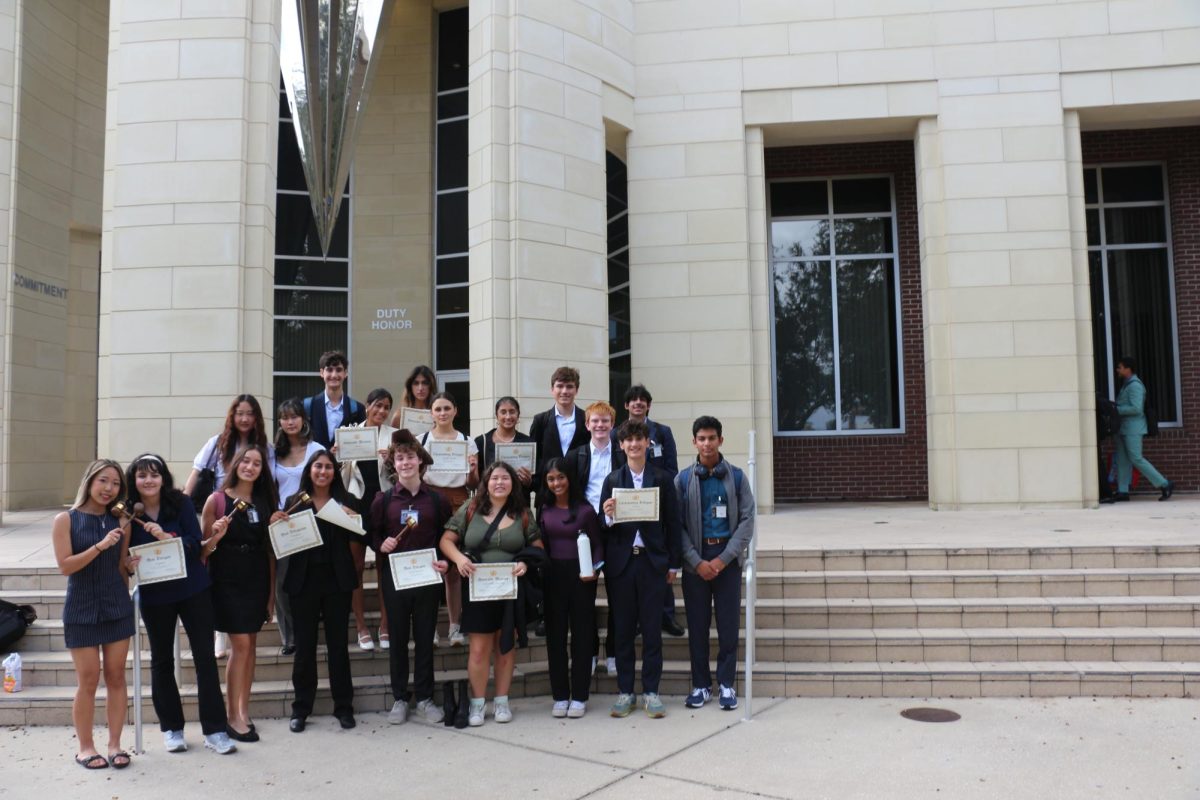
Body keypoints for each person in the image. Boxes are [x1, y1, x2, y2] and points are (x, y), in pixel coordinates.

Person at [125, 454, 236, 755]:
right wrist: (128, 563)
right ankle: (171, 728)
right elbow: (123, 557)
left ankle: (215, 730)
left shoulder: (181, 503)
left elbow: (194, 542)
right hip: (154, 594)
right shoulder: (126, 514)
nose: (148, 480)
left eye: (154, 474)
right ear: (133, 480)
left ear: (164, 478)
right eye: (142, 475)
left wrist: (167, 536)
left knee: (204, 658)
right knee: (161, 661)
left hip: (192, 589)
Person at [440, 462, 542, 726]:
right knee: (478, 650)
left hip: (511, 590)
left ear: (513, 484)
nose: (499, 483)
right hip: (477, 589)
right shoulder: (471, 509)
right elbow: (446, 540)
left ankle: (501, 702)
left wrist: (526, 563)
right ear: (486, 483)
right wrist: (459, 559)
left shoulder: (522, 513)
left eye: (505, 478)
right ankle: (476, 704)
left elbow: (537, 546)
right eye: (494, 478)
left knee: (506, 647)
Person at [53, 460, 136, 771]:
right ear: (89, 481)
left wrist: (128, 566)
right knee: (88, 679)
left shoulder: (122, 521)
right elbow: (65, 566)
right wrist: (100, 547)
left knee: (116, 676)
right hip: (81, 606)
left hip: (116, 605)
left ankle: (115, 744)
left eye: (115, 484)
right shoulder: (66, 519)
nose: (109, 488)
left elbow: (119, 568)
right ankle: (85, 747)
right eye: (104, 481)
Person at [600, 420, 682, 720]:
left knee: (651, 630)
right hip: (622, 565)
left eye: (639, 439)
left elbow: (673, 524)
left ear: (648, 443)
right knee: (622, 630)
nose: (634, 445)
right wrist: (608, 516)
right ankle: (625, 692)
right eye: (628, 441)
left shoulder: (661, 478)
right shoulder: (612, 479)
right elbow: (603, 525)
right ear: (620, 446)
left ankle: (651, 692)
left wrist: (673, 563)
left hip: (652, 563)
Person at [369, 430, 452, 725]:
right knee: (399, 639)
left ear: (420, 461)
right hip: (397, 579)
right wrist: (381, 544)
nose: (405, 463)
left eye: (410, 457)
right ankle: (400, 698)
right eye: (400, 458)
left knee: (426, 638)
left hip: (428, 578)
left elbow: (446, 536)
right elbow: (374, 535)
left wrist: (445, 562)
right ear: (394, 463)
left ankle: (426, 698)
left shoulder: (437, 500)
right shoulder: (384, 499)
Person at [275, 451, 359, 733]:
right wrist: (276, 521)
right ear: (309, 471)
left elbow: (363, 533)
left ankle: (344, 707)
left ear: (335, 472)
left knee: (338, 647)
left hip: (337, 581)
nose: (323, 471)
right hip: (303, 582)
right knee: (304, 648)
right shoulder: (294, 501)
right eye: (318, 466)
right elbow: (281, 538)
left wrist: (353, 518)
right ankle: (301, 709)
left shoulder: (345, 501)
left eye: (328, 467)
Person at [185, 394, 272, 662]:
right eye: (240, 413)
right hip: (223, 508)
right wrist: (182, 507)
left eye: (250, 413)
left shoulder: (264, 447)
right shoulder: (217, 444)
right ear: (232, 416)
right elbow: (196, 474)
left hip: (251, 511)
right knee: (217, 557)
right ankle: (218, 634)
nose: (245, 418)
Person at [675, 417, 755, 711]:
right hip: (695, 562)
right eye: (701, 438)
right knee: (697, 626)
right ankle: (700, 685)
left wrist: (723, 559)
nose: (707, 443)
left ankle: (726, 684)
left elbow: (747, 520)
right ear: (693, 442)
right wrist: (697, 561)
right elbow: (676, 525)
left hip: (727, 561)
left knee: (728, 626)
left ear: (721, 440)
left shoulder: (735, 477)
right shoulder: (683, 480)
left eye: (712, 438)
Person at [200, 444, 278, 743]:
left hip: (256, 577)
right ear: (235, 464)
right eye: (245, 461)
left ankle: (243, 710)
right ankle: (231, 715)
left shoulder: (263, 500)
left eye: (257, 463)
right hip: (226, 578)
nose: (250, 467)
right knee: (241, 645)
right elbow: (204, 549)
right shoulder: (216, 500)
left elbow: (270, 551)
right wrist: (216, 535)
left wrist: (270, 595)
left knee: (251, 645)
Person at [614, 384, 684, 636]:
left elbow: (672, 468)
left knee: (658, 554)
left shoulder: (662, 432)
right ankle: (634, 620)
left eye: (643, 400)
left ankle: (666, 616)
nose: (638, 404)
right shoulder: (617, 434)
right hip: (628, 506)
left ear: (648, 405)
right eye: (633, 400)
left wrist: (662, 492)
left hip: (658, 502)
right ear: (626, 405)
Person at [537, 458, 602, 718]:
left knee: (582, 636)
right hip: (553, 577)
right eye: (551, 479)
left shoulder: (585, 510)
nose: (556, 483)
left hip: (581, 576)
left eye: (561, 478)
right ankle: (561, 695)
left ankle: (580, 696)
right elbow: (539, 542)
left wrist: (594, 570)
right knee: (555, 637)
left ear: (570, 478)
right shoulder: (543, 509)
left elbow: (598, 545)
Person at [566, 401, 624, 675]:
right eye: (595, 421)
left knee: (617, 596)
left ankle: (612, 653)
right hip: (585, 532)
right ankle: (587, 652)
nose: (600, 426)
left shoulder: (622, 455)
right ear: (587, 425)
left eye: (605, 421)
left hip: (615, 530)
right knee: (583, 597)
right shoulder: (576, 456)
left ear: (612, 426)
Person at [419, 391, 479, 646]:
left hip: (459, 501)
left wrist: (473, 469)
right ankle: (429, 627)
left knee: (454, 568)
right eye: (438, 409)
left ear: (455, 410)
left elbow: (473, 484)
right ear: (431, 413)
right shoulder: (421, 440)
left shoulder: (467, 441)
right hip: (429, 500)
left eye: (447, 408)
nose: (442, 413)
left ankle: (455, 626)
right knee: (429, 564)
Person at [338, 387, 395, 652]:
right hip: (356, 506)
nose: (381, 411)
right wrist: (337, 453)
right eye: (378, 406)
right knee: (356, 568)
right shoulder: (351, 433)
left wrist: (392, 461)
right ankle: (361, 626)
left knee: (385, 568)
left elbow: (404, 474)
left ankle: (385, 624)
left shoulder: (394, 437)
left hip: (385, 506)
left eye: (386, 407)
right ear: (367, 405)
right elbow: (340, 476)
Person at [270, 398, 326, 657]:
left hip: (312, 522)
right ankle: (288, 636)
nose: (290, 421)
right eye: (285, 417)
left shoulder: (316, 449)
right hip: (282, 522)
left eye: (294, 416)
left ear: (303, 419)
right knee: (282, 582)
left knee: (310, 579)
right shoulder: (273, 453)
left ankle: (309, 629)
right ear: (280, 422)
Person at [1107, 356, 1174, 503]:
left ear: (1128, 369)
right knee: (1123, 460)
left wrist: (1116, 409)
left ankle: (1165, 484)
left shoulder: (1135, 385)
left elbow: (1137, 409)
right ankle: (1122, 491)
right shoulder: (1127, 384)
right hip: (1123, 428)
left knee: (1136, 458)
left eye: (1120, 367)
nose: (1117, 370)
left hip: (1133, 428)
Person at [527, 366, 589, 491]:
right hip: (547, 491)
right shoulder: (540, 420)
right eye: (560, 386)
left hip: (579, 490)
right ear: (552, 389)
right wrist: (539, 486)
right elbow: (534, 458)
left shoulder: (587, 419)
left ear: (576, 390)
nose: (564, 391)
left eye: (570, 386)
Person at [305, 350, 365, 449]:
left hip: (344, 465)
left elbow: (360, 447)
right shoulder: (308, 406)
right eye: (329, 370)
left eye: (338, 370)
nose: (334, 375)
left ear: (345, 373)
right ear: (321, 373)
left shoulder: (357, 409)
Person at [474, 396, 534, 490]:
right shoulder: (482, 441)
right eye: (503, 412)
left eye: (512, 411)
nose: (508, 416)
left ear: (518, 415)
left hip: (519, 501)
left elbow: (535, 480)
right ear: (496, 415)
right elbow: (476, 481)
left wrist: (529, 482)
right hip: (490, 501)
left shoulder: (528, 442)